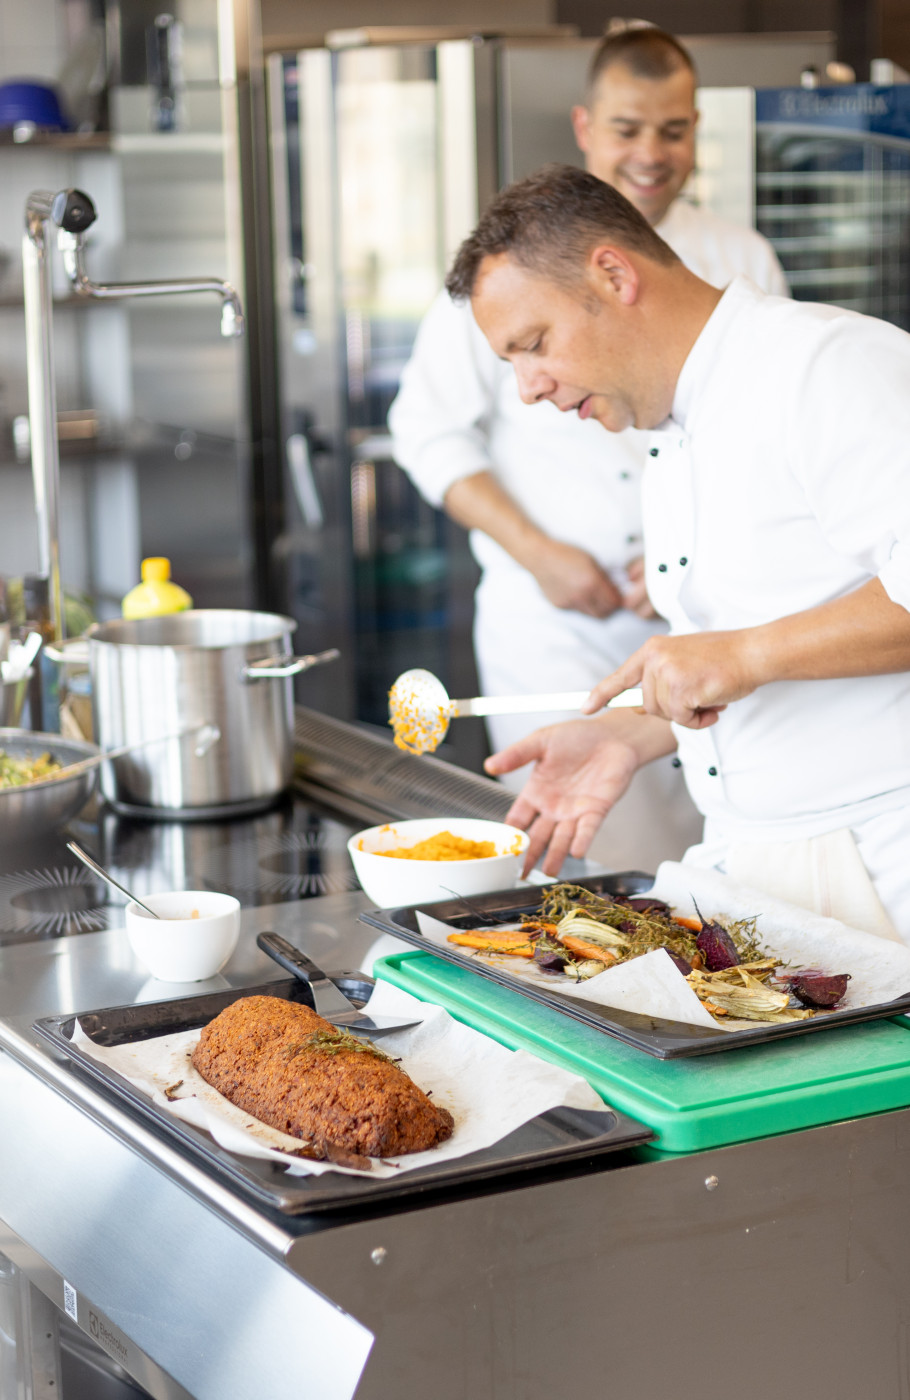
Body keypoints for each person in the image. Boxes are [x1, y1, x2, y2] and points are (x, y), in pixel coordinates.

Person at [444, 162, 910, 943]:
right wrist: (635, 733)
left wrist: (746, 652)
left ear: (613, 274)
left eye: (535, 344)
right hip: (751, 853)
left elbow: (762, 644)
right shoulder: (669, 426)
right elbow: (759, 647)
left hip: (879, 860)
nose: (528, 389)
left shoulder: (826, 367)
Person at [389, 24, 787, 873]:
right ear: (584, 127)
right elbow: (425, 430)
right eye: (626, 128)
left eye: (672, 130)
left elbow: (751, 433)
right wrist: (539, 553)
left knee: (720, 862)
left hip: (706, 625)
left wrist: (689, 560)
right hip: (557, 634)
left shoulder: (741, 259)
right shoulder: (506, 277)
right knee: (599, 867)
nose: (650, 152)